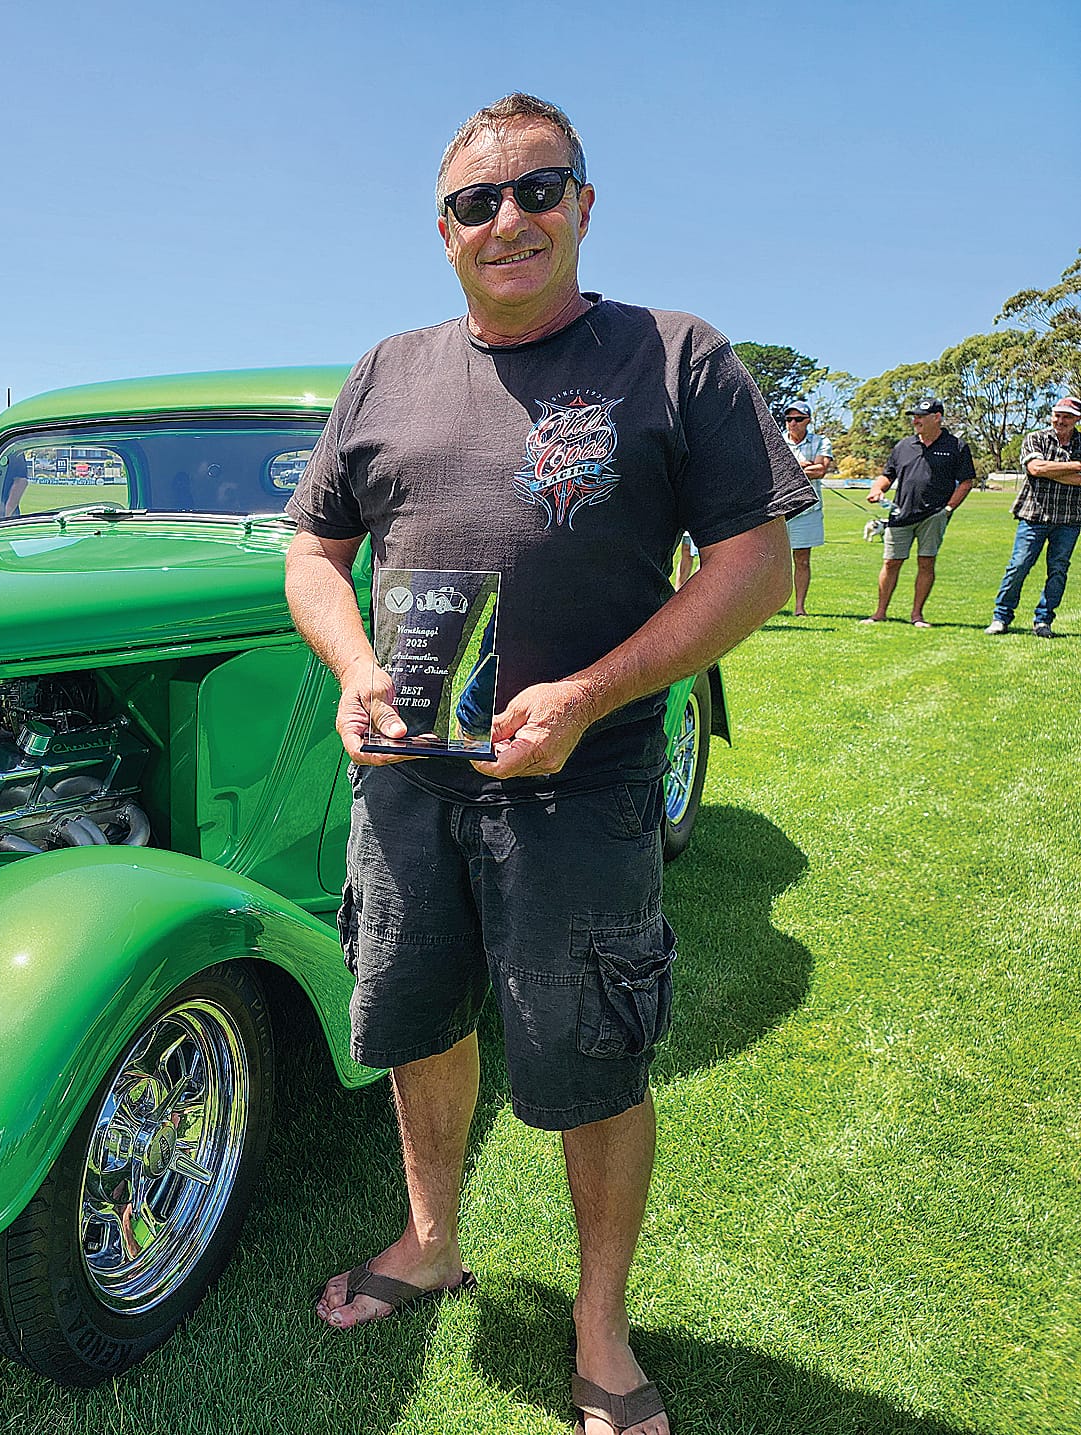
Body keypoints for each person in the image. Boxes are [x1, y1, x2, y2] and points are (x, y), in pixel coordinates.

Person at [283, 93, 809, 1435]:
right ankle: (429, 1234)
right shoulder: (384, 369)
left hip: (581, 782)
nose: (505, 219)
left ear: (583, 204)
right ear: (442, 228)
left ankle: (598, 1321)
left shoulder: (671, 354)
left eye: (536, 190)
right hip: (408, 776)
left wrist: (588, 691)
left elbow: (752, 565)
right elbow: (314, 553)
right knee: (420, 1020)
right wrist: (352, 667)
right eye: (476, 201)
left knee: (591, 1054)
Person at [862, 398, 976, 627]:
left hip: (934, 516)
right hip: (900, 514)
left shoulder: (956, 446)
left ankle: (917, 615)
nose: (916, 421)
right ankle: (879, 613)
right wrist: (877, 489)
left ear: (937, 417)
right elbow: (888, 475)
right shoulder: (903, 446)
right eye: (914, 417)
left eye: (921, 416)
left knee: (926, 563)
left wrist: (948, 509)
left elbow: (966, 482)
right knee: (891, 563)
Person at [986, 394, 1081, 638]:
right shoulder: (1035, 438)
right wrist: (1076, 465)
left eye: (1067, 416)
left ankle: (1043, 621)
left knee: (1058, 570)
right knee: (1019, 565)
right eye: (1057, 415)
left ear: (1077, 419)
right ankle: (1001, 617)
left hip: (1069, 519)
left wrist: (1049, 470)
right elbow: (1035, 468)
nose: (1060, 420)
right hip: (1033, 516)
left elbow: (1046, 470)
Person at [780, 401, 831, 615]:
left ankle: (800, 608)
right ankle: (773, 606)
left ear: (808, 420)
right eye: (789, 419)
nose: (793, 423)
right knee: (773, 561)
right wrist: (803, 465)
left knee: (802, 560)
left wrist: (790, 466)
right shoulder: (777, 440)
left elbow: (821, 470)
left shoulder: (821, 441)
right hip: (780, 510)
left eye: (798, 419)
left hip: (807, 510)